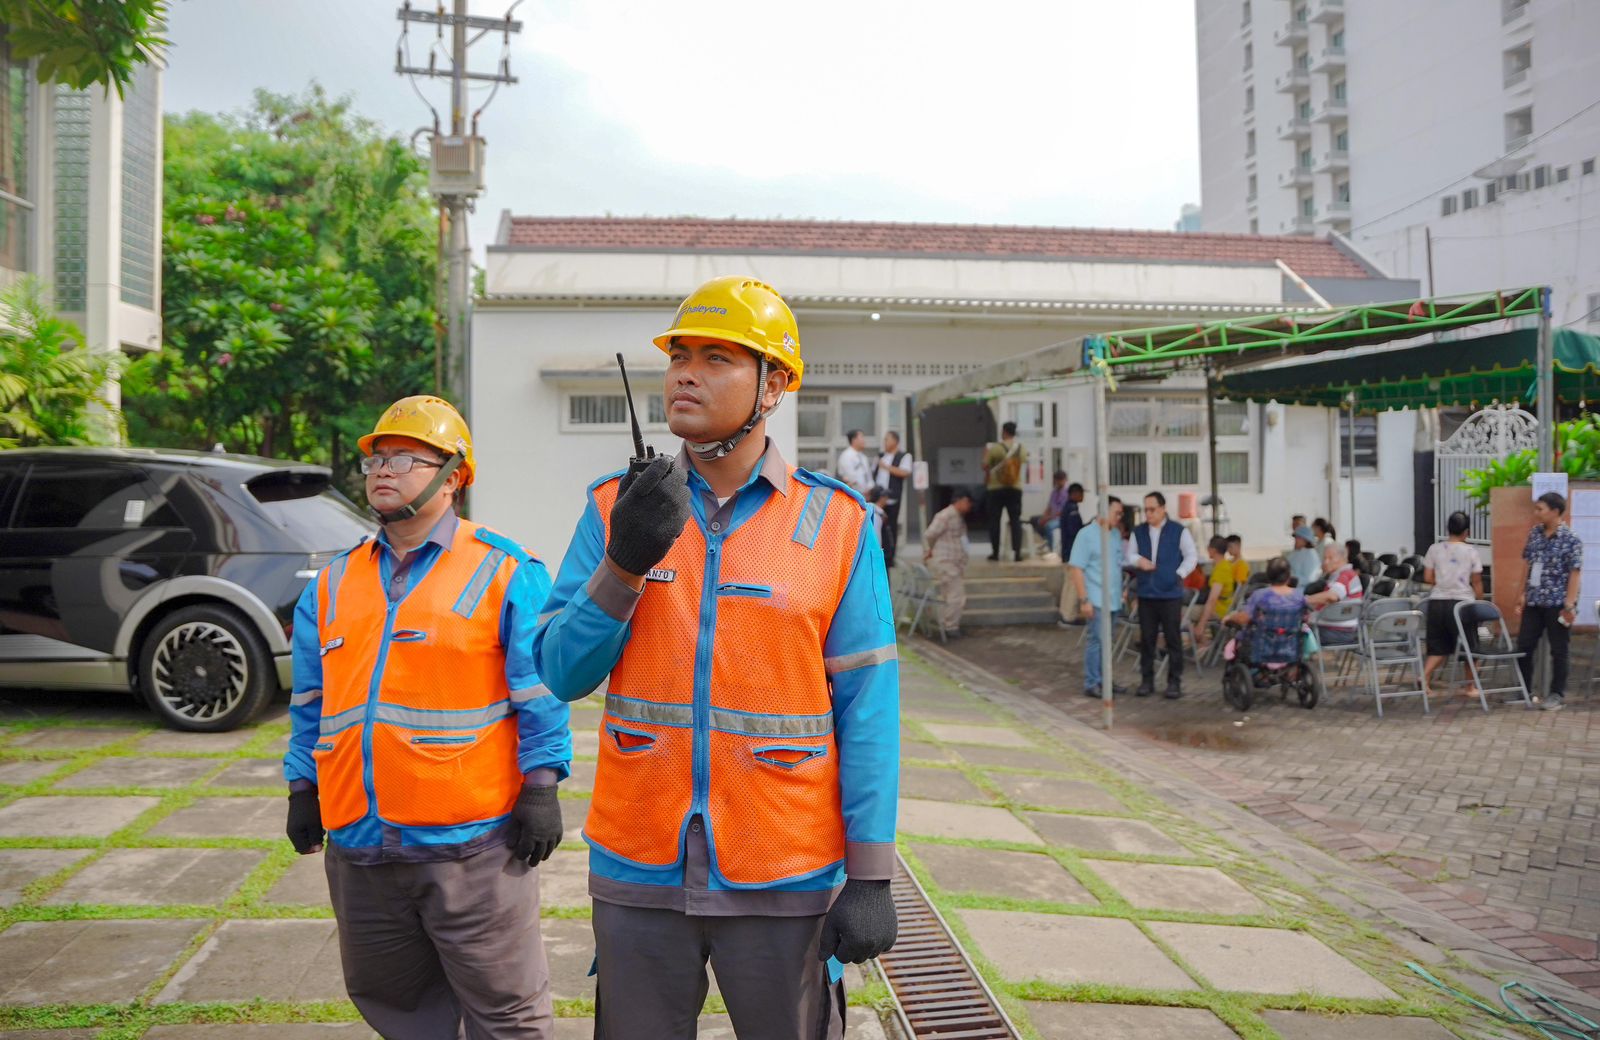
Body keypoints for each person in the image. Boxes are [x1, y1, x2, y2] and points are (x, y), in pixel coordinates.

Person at [532, 276, 899, 1039]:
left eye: (718, 357)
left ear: (776, 386)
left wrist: (869, 876)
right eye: (679, 356)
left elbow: (869, 711)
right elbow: (561, 672)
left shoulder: (838, 524)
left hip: (783, 867)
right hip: (639, 867)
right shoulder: (613, 509)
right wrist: (625, 564)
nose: (686, 373)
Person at [283, 395, 571, 1039]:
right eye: (377, 460)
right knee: (396, 1007)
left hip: (472, 848)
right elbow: (310, 704)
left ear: (455, 476)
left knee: (509, 1014)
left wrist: (543, 784)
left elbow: (539, 692)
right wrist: (302, 786)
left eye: (408, 458)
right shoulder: (329, 585)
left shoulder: (505, 570)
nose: (385, 470)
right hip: (360, 844)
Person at [1126, 490, 1198, 698]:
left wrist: (1179, 573)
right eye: (1146, 509)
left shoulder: (1178, 531)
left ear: (1163, 509)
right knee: (1147, 639)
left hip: (1170, 594)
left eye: (1152, 509)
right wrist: (1138, 561)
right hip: (1147, 593)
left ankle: (1174, 682)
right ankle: (1146, 680)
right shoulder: (1138, 531)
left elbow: (1191, 555)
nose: (1148, 514)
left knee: (1173, 639)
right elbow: (1130, 554)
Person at [1514, 491, 1582, 711]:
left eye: (1540, 509)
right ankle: (1524, 690)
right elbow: (1527, 564)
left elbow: (1574, 573)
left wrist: (1569, 605)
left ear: (1555, 511)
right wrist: (1521, 594)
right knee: (1524, 645)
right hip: (1534, 600)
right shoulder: (1534, 534)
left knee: (1559, 650)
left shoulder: (1571, 539)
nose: (1536, 513)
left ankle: (1556, 694)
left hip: (1558, 603)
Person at [1421, 510, 1484, 696]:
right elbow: (1477, 581)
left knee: (1438, 645)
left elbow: (1427, 577)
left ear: (1448, 529)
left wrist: (1442, 583)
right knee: (1470, 645)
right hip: (1463, 604)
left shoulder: (1434, 549)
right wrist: (1480, 602)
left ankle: (1425, 679)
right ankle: (1470, 686)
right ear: (1467, 532)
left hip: (1438, 602)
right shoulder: (1471, 551)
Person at [1070, 496, 1126, 700]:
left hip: (1113, 597)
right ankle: (1092, 681)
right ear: (1103, 510)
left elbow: (1117, 564)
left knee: (1107, 641)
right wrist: (1084, 599)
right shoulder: (1086, 535)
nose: (1119, 517)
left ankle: (1105, 679)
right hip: (1095, 596)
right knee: (1096, 639)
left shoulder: (1115, 535)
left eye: (1121, 514)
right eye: (1116, 513)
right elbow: (1076, 568)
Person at [1223, 557, 1307, 663]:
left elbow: (1244, 618)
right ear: (1289, 576)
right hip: (1290, 648)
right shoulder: (1298, 596)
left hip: (1263, 649)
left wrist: (1230, 618)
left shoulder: (1260, 595)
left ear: (1268, 575)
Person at [924, 491, 976, 639]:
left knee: (950, 595)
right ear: (959, 500)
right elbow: (930, 534)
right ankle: (950, 626)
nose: (969, 506)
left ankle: (948, 624)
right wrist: (931, 549)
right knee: (955, 595)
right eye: (967, 502)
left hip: (955, 561)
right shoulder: (945, 515)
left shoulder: (958, 516)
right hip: (947, 561)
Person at [982, 421, 1027, 562]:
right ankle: (1017, 553)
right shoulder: (1021, 448)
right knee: (1015, 520)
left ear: (1004, 432)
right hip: (1015, 488)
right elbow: (1023, 462)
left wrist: (986, 454)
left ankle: (995, 553)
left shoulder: (996, 448)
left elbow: (985, 465)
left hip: (996, 489)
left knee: (994, 520)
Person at [1304, 542, 1364, 645]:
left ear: (1343, 558)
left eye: (1330, 558)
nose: (1326, 562)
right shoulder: (1338, 575)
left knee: (1294, 632)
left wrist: (1303, 599)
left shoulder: (1346, 575)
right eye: (1325, 558)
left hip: (1339, 632)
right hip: (1335, 629)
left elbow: (1332, 596)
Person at [875, 431, 913, 568]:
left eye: (887, 440)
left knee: (890, 526)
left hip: (891, 498)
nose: (885, 442)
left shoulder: (904, 456)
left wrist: (887, 467)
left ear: (895, 441)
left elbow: (905, 472)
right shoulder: (882, 456)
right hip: (878, 499)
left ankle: (890, 556)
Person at [1193, 536, 1237, 649]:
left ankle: (1204, 643)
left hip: (1220, 609)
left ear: (1213, 550)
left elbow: (1212, 600)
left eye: (1208, 547)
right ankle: (1204, 644)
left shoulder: (1220, 569)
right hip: (1224, 606)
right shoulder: (1225, 565)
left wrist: (1201, 626)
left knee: (1180, 612)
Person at [1028, 473, 1074, 554]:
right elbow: (1049, 507)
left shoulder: (1067, 493)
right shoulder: (1054, 492)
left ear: (1064, 480)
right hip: (1051, 517)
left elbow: (1062, 512)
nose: (1059, 482)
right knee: (1034, 520)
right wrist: (1043, 517)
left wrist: (1048, 518)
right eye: (1057, 480)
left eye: (1061, 480)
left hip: (1061, 518)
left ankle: (1051, 550)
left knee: (1048, 526)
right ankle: (1046, 540)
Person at [836, 429, 874, 497]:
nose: (864, 440)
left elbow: (869, 477)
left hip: (866, 495)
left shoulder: (863, 457)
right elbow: (850, 478)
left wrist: (869, 489)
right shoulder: (846, 456)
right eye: (861, 437)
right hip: (852, 495)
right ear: (854, 440)